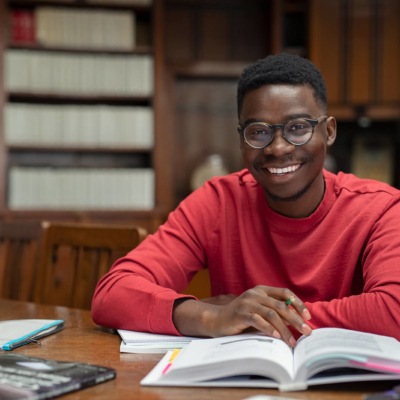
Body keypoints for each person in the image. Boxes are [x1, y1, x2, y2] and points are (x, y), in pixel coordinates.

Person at [92, 53, 400, 347]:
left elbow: (394, 312)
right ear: (242, 139)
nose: (278, 148)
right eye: (259, 132)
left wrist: (256, 319)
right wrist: (210, 316)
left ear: (329, 132)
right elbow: (113, 293)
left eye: (297, 128)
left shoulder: (381, 209)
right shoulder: (217, 202)